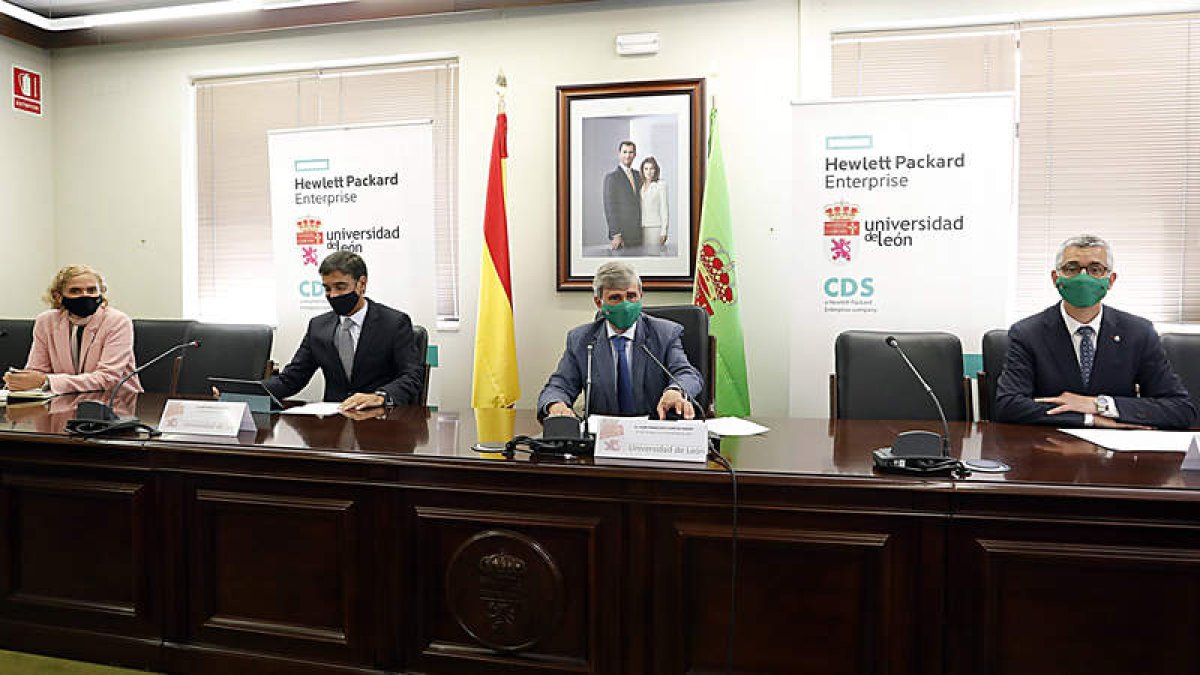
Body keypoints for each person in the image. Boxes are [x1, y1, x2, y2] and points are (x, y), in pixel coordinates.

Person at [995, 234, 1196, 429]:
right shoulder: (1027, 333)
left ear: (1110, 280)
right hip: (1049, 448)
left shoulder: (1139, 332)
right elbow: (1008, 406)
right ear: (1056, 278)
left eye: (1095, 269)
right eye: (1071, 268)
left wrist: (1100, 405)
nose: (1084, 277)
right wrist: (1088, 419)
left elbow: (1180, 409)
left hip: (1118, 454)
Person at [538, 261, 702, 421]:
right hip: (603, 438)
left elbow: (687, 374)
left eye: (631, 296)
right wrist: (556, 404)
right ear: (598, 302)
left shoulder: (665, 333)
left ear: (641, 296)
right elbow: (559, 386)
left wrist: (675, 391)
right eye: (615, 298)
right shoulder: (581, 340)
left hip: (655, 432)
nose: (625, 305)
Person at [263, 251, 424, 410]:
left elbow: (412, 376)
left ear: (361, 284)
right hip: (334, 423)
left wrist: (380, 396)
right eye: (327, 288)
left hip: (380, 420)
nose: (333, 295)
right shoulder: (318, 327)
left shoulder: (394, 323)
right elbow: (291, 379)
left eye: (340, 287)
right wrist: (248, 392)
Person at [4, 264, 141, 395]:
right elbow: (37, 370)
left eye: (92, 290)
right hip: (64, 402)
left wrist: (47, 381)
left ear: (101, 294)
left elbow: (107, 378)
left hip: (116, 404)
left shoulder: (117, 321)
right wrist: (22, 381)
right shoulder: (46, 321)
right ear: (58, 296)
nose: (85, 295)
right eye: (75, 291)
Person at [602, 140, 643, 251]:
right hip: (622, 235)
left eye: (631, 152)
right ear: (619, 154)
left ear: (635, 155)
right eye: (624, 152)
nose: (627, 155)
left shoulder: (638, 175)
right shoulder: (612, 178)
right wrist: (616, 234)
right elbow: (610, 208)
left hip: (639, 233)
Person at [639, 156, 669, 255]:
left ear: (656, 170)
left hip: (655, 227)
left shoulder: (660, 185)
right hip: (640, 228)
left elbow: (664, 209)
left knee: (654, 256)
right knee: (643, 257)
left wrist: (664, 231)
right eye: (646, 169)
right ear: (642, 170)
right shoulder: (640, 186)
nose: (649, 171)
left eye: (652, 168)